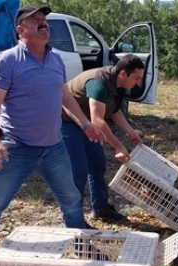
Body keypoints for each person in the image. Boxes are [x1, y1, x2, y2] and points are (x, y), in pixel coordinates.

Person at [0, 5, 104, 266]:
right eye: (35, 20)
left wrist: (85, 124)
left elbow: (65, 97)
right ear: (21, 30)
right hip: (16, 148)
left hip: (53, 147)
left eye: (43, 20)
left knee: (71, 199)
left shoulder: (56, 59)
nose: (43, 23)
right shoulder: (8, 61)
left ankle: (82, 247)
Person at [62, 54, 145, 223]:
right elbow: (98, 121)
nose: (137, 83)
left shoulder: (119, 84)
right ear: (123, 74)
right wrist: (118, 146)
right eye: (136, 78)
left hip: (88, 123)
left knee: (97, 164)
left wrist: (130, 131)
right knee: (78, 171)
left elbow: (115, 111)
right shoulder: (99, 82)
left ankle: (100, 208)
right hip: (66, 120)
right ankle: (74, 219)